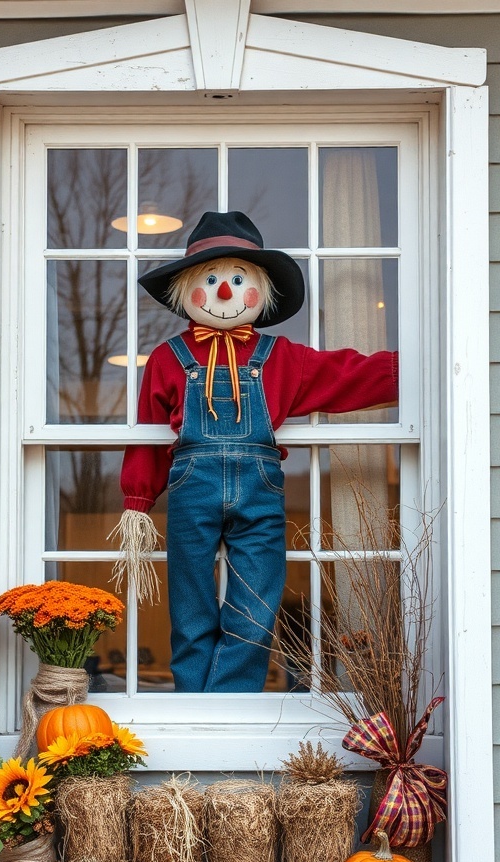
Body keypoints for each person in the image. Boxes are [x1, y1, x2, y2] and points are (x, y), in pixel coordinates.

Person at [112, 210, 398, 694]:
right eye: (212, 279)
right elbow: (147, 432)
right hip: (191, 493)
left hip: (259, 493)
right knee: (190, 606)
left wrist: (419, 367)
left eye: (238, 279)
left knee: (255, 606)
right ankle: (191, 707)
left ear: (259, 292)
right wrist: (137, 501)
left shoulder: (283, 358)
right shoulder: (167, 359)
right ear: (187, 292)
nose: (225, 291)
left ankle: (225, 706)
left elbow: (349, 373)